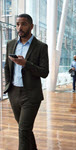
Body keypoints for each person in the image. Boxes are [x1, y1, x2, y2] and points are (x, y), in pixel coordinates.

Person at [4, 14, 49, 150]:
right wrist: (8, 86)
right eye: (17, 24)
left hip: (31, 95)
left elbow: (44, 72)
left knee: (23, 130)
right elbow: (7, 66)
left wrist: (25, 64)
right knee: (25, 129)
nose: (20, 27)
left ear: (31, 26)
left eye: (23, 24)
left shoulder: (41, 47)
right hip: (14, 93)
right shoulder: (10, 44)